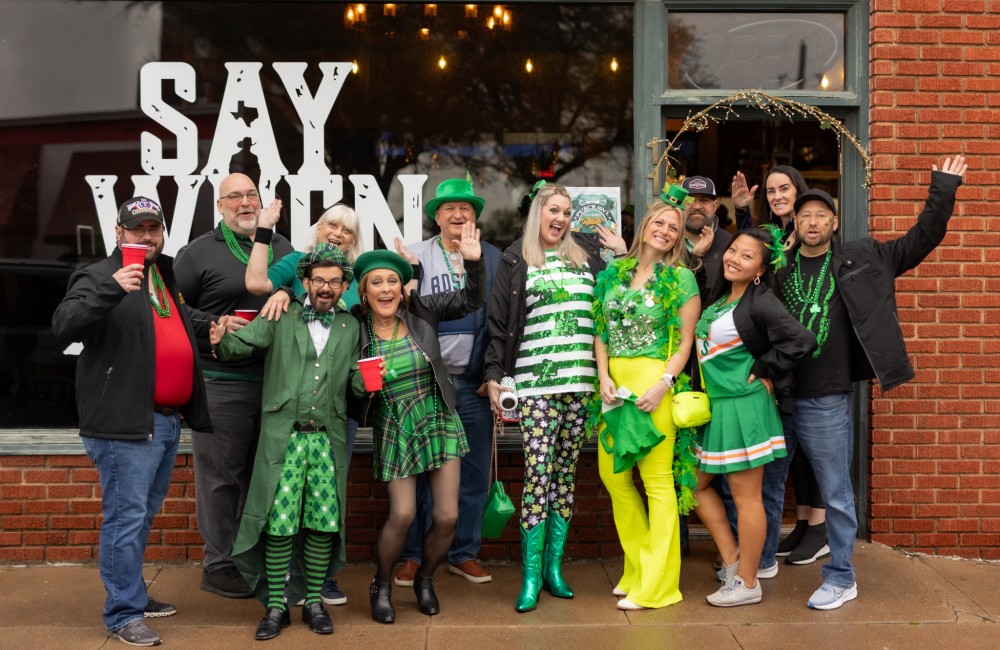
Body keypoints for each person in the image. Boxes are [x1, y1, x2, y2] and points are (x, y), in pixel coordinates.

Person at [776, 155, 966, 610]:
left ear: (835, 221)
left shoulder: (864, 257)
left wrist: (943, 189)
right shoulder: (779, 270)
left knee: (837, 493)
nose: (813, 221)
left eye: (822, 214)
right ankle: (756, 567)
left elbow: (922, 240)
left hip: (827, 398)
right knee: (766, 487)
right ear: (794, 223)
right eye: (805, 215)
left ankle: (841, 576)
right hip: (778, 397)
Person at [52, 197, 212, 646]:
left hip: (163, 421)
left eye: (153, 229)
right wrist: (112, 288)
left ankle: (133, 595)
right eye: (137, 229)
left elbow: (171, 324)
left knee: (139, 518)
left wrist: (214, 327)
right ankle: (123, 613)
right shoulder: (99, 276)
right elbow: (63, 324)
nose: (146, 237)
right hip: (122, 423)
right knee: (125, 519)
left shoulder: (163, 276)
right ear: (119, 233)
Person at [209, 246, 362, 640]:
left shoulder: (351, 326)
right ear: (305, 282)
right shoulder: (281, 313)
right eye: (318, 280)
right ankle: (276, 606)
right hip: (285, 439)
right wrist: (222, 339)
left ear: (344, 286)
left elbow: (356, 381)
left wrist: (372, 381)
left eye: (334, 281)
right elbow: (243, 345)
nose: (325, 288)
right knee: (278, 526)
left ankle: (313, 602)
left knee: (322, 524)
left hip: (326, 441)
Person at [484, 181, 605, 613]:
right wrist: (496, 374)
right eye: (554, 210)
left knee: (565, 476)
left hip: (581, 384)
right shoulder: (517, 258)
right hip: (535, 383)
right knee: (538, 474)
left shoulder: (587, 255)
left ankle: (554, 568)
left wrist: (624, 252)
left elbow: (617, 303)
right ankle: (531, 575)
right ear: (538, 213)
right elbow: (498, 323)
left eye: (567, 212)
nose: (561, 219)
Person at [354, 232, 486, 625]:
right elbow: (345, 380)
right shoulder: (354, 328)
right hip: (395, 425)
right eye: (376, 282)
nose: (386, 288)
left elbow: (470, 299)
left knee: (446, 516)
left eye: (392, 280)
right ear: (364, 291)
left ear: (402, 286)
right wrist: (360, 382)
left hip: (437, 420)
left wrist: (474, 264)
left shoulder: (420, 313)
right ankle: (381, 584)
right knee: (404, 515)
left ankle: (425, 580)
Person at [173, 173, 294, 599]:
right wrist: (210, 324)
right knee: (222, 478)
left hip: (277, 382)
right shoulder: (197, 253)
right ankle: (220, 564)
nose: (245, 203)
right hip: (222, 382)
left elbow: (308, 292)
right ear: (219, 205)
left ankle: (256, 558)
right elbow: (173, 310)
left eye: (251, 195)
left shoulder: (280, 247)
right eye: (235, 197)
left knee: (267, 477)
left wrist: (290, 297)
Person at [245, 202, 364, 606]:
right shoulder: (294, 266)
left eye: (347, 230)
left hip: (330, 417)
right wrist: (280, 288)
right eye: (332, 224)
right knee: (280, 511)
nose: (338, 233)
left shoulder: (356, 287)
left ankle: (317, 588)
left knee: (322, 513)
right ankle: (278, 596)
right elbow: (257, 283)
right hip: (287, 417)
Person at [693, 227, 816, 607]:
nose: (734, 258)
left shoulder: (760, 300)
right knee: (692, 484)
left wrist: (765, 367)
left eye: (747, 256)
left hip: (745, 407)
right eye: (733, 250)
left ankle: (748, 582)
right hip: (717, 407)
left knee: (748, 498)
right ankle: (732, 560)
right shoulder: (719, 299)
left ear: (760, 269)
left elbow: (803, 341)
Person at [592, 187, 701, 610]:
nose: (665, 231)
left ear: (678, 238)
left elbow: (685, 341)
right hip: (613, 389)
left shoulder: (682, 278)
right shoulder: (615, 272)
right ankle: (637, 565)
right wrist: (602, 375)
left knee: (657, 485)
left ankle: (657, 586)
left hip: (655, 384)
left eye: (673, 228)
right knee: (614, 478)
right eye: (659, 223)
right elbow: (601, 332)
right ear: (645, 226)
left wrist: (665, 383)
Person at [391, 177, 501, 587]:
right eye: (449, 208)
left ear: (475, 217)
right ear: (435, 216)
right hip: (425, 384)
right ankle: (414, 554)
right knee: (420, 471)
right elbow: (389, 312)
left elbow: (503, 323)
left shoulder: (492, 256)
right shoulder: (414, 256)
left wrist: (492, 373)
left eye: (466, 209)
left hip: (472, 384)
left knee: (472, 474)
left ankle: (463, 552)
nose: (458, 214)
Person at [731, 164, 830, 573]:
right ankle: (804, 522)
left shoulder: (811, 230)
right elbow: (753, 254)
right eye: (770, 191)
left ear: (798, 191)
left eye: (783, 188)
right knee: (796, 450)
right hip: (786, 357)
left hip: (814, 353)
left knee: (811, 450)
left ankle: (819, 527)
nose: (776, 196)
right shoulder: (775, 236)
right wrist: (741, 212)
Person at [681, 175, 735, 292]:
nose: (696, 206)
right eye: (689, 200)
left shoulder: (731, 244)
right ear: (680, 205)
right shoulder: (669, 242)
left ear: (715, 206)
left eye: (704, 200)